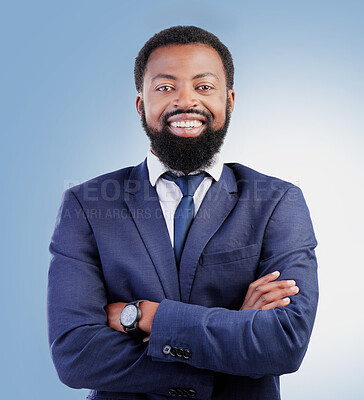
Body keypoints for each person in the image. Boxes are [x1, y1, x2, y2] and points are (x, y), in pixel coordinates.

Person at [47, 26, 318, 400]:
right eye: (165, 87)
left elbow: (284, 343)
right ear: (141, 104)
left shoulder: (277, 201)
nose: (185, 101)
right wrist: (235, 330)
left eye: (204, 86)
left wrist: (144, 316)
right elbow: (75, 355)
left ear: (230, 100)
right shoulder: (87, 204)